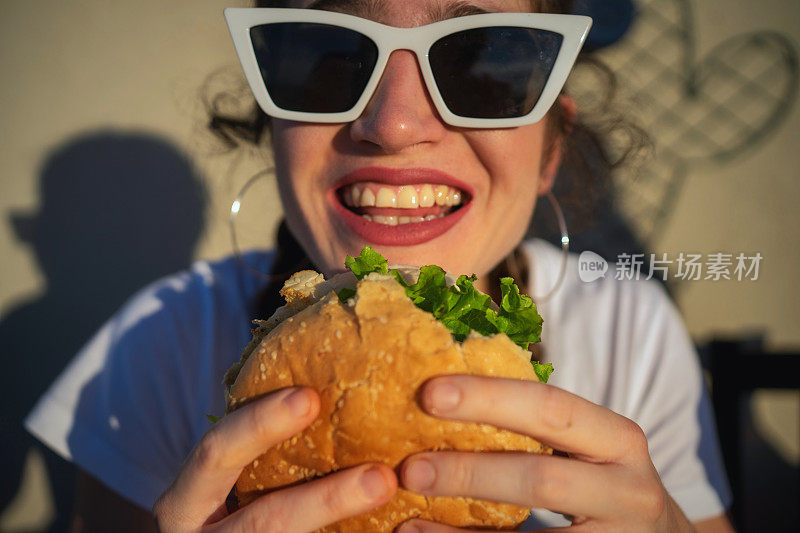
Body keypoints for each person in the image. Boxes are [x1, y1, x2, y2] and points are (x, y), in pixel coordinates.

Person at [25, 0, 735, 531]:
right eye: (331, 57)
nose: (393, 125)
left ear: (551, 148)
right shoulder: (156, 346)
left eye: (482, 64)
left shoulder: (631, 332)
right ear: (274, 128)